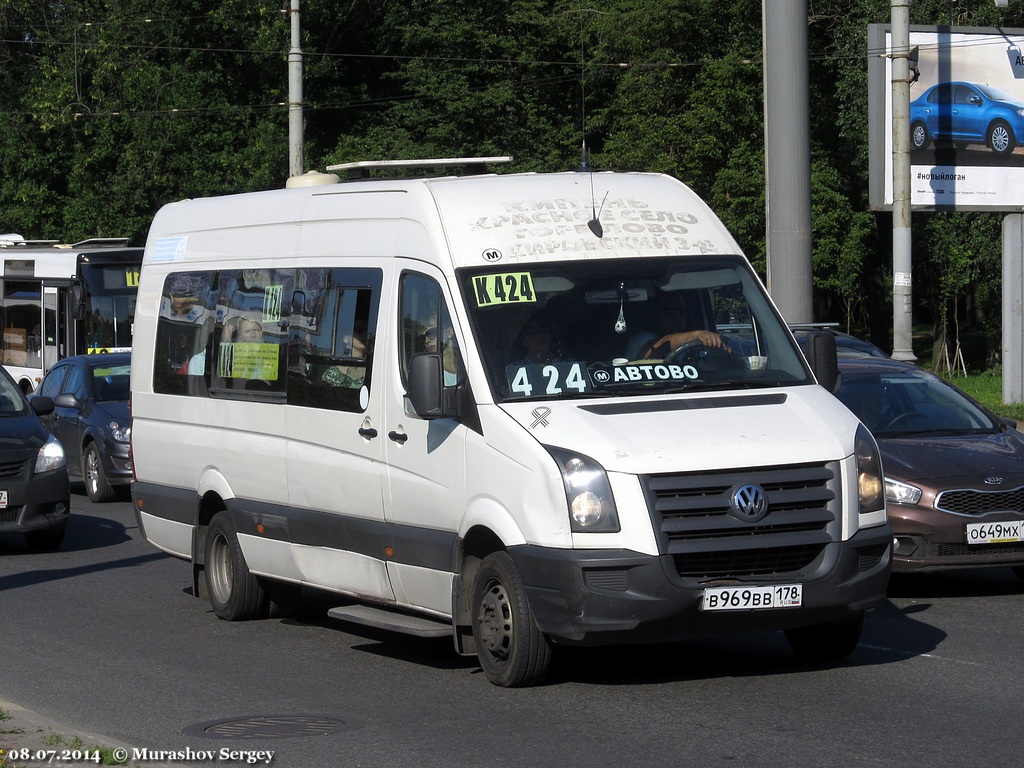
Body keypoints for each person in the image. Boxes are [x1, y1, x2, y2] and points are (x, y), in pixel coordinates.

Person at [626, 291, 724, 360]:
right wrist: (697, 335)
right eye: (670, 312)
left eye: (681, 312)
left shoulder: (697, 345)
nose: (677, 317)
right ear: (655, 316)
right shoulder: (640, 339)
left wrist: (721, 351)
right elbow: (651, 352)